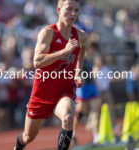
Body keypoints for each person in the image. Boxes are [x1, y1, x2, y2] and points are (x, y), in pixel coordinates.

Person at [14, 0, 86, 150]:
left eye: (76, 10)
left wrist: (78, 73)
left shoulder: (80, 36)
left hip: (64, 92)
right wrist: (64, 52)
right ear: (59, 10)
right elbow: (37, 62)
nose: (73, 14)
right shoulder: (48, 33)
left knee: (68, 117)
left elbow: (81, 53)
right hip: (42, 94)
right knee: (28, 136)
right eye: (69, 9)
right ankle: (18, 146)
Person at [72, 42, 101, 145]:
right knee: (80, 113)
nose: (94, 51)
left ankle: (96, 136)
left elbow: (97, 69)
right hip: (83, 87)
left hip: (92, 86)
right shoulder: (81, 58)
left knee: (95, 112)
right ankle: (73, 133)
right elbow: (76, 70)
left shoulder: (94, 58)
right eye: (93, 48)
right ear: (89, 48)